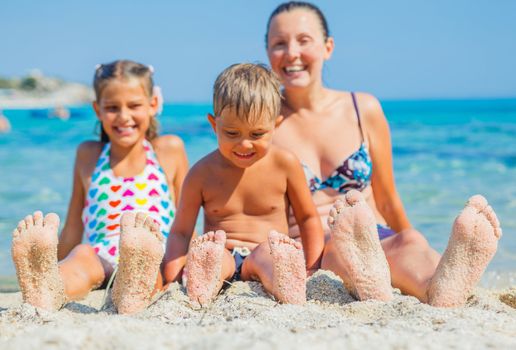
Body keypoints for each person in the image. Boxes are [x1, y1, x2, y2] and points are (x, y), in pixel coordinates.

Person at [265, 1, 502, 307]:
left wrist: (411, 236)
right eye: (279, 44)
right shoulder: (262, 124)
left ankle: (440, 284)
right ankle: (384, 278)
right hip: (309, 248)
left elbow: (387, 198)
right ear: (268, 53)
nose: (292, 52)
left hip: (372, 235)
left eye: (303, 40)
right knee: (342, 249)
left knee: (407, 241)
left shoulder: (363, 109)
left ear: (328, 47)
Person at [11, 60, 189, 314]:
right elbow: (74, 225)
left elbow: (186, 221)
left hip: (151, 252)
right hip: (101, 252)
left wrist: (184, 265)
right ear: (97, 109)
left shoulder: (169, 149)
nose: (124, 116)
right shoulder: (88, 155)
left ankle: (132, 291)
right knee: (81, 258)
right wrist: (53, 260)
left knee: (152, 266)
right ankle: (49, 286)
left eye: (134, 105)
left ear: (153, 104)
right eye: (112, 108)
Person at [162, 63, 325, 306]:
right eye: (231, 133)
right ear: (214, 125)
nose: (245, 144)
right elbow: (182, 232)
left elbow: (308, 219)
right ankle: (204, 284)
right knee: (216, 260)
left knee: (270, 256)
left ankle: (288, 282)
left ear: (275, 125)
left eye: (257, 134)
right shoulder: (201, 174)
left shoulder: (285, 164)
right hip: (223, 252)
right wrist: (172, 279)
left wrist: (312, 270)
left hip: (264, 251)